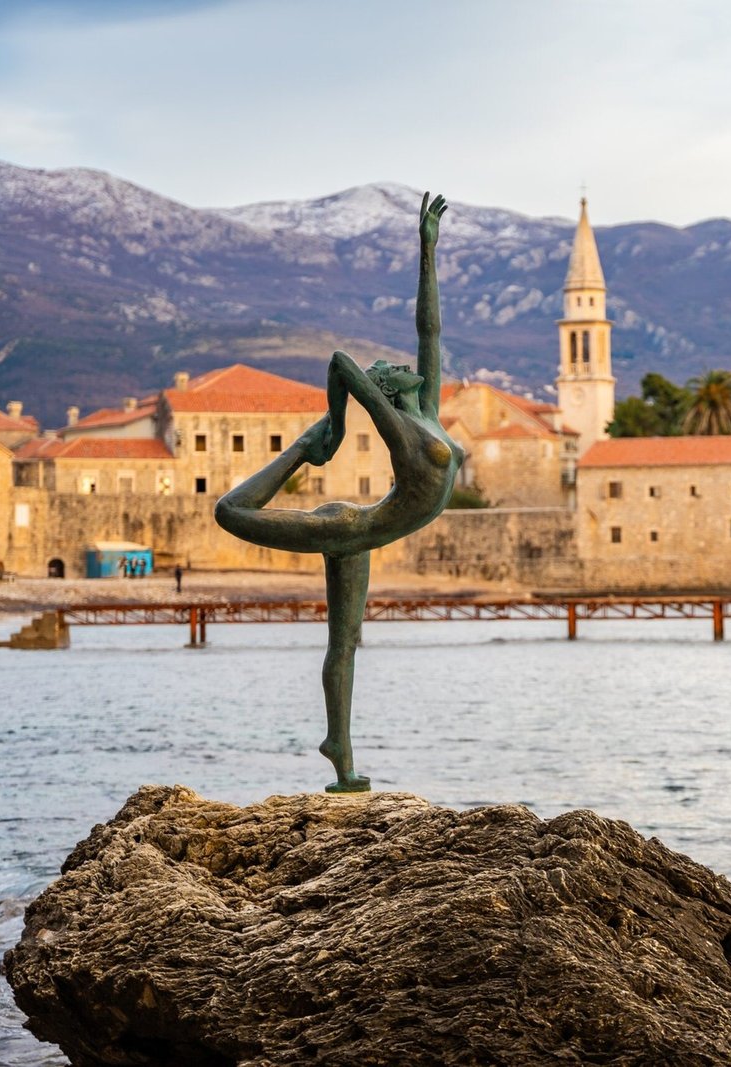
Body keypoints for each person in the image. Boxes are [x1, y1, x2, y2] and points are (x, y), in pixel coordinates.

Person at [216, 192, 462, 793]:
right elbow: (340, 361)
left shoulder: (425, 409)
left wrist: (427, 248)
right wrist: (333, 425)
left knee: (346, 643)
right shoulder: (403, 430)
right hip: (343, 528)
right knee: (229, 512)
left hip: (362, 532)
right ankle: (299, 447)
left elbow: (429, 325)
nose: (402, 361)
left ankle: (341, 755)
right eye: (390, 365)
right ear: (385, 388)